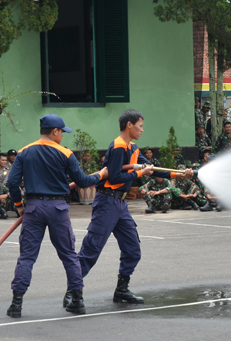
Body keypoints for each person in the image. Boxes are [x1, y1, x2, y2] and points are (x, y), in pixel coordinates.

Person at [74, 109, 187, 307]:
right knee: (91, 249)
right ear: (129, 125)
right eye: (140, 126)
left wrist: (179, 175)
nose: (142, 130)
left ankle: (122, 290)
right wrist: (139, 174)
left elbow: (151, 168)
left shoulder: (132, 147)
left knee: (132, 249)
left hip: (121, 204)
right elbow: (116, 177)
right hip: (107, 202)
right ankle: (73, 292)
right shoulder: (118, 146)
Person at [5, 113, 107, 319]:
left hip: (33, 208)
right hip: (57, 208)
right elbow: (83, 181)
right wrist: (100, 175)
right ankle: (77, 301)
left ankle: (16, 304)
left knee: (26, 257)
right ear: (55, 131)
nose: (62, 136)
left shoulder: (24, 152)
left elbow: (12, 183)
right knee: (69, 255)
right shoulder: (65, 153)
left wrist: (19, 205)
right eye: (62, 132)